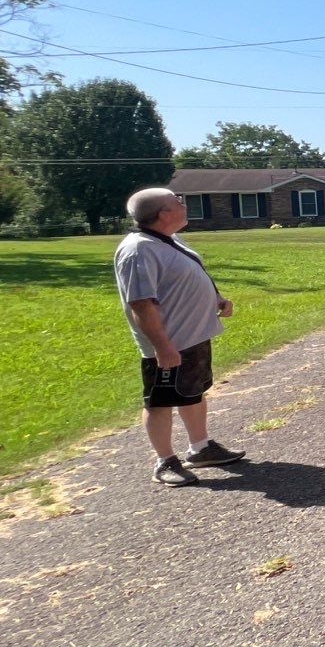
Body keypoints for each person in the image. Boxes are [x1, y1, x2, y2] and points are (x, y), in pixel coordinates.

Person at [113, 188, 248, 485]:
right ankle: (165, 462)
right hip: (169, 343)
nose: (183, 205)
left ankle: (200, 448)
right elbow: (140, 303)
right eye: (177, 202)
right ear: (163, 213)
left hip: (192, 338)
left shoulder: (167, 239)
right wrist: (162, 348)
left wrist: (217, 298)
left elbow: (184, 275)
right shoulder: (139, 250)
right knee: (160, 403)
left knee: (192, 393)